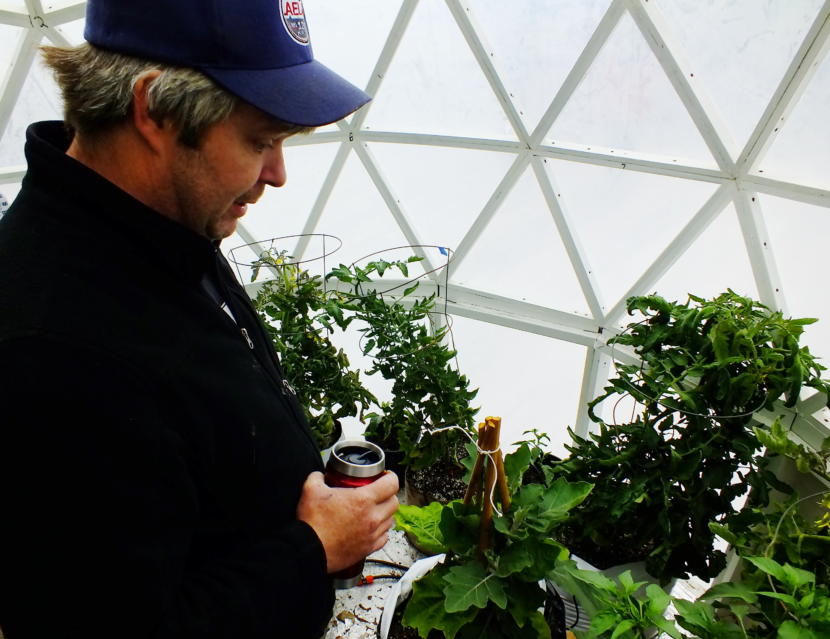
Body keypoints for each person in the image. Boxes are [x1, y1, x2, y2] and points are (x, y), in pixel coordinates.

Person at [0, 1, 400, 637]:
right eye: (261, 140)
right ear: (155, 109)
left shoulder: (159, 229)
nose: (278, 174)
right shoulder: (56, 350)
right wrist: (314, 547)